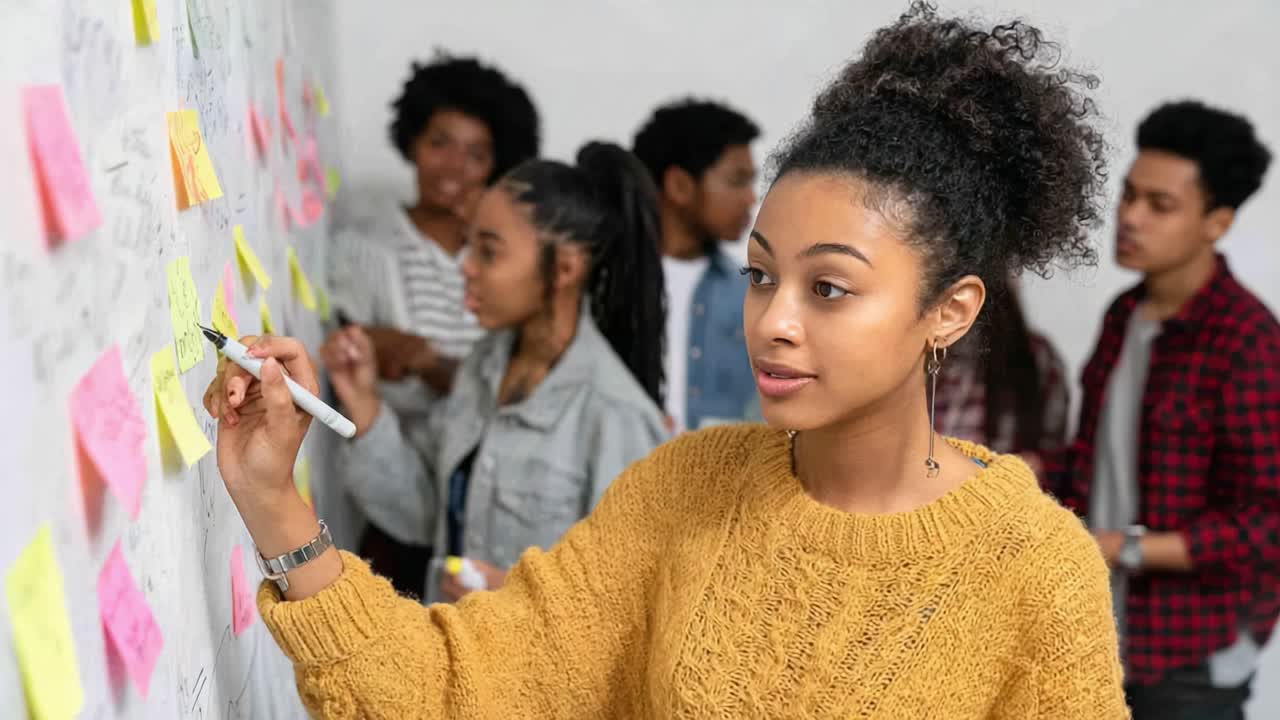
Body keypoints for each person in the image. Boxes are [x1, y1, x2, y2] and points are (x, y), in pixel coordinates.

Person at [202, 4, 1127, 716]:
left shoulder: (1035, 569)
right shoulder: (686, 489)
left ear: (949, 311)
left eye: (829, 289)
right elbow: (453, 688)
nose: (773, 322)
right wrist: (274, 499)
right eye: (763, 278)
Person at [320, 142, 668, 602]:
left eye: (488, 252)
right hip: (453, 661)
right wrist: (362, 402)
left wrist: (515, 595)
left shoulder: (616, 415)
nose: (465, 267)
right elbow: (425, 511)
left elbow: (631, 607)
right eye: (470, 246)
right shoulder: (481, 369)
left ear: (563, 269)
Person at [1046, 100, 1278, 720]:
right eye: (1129, 195)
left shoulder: (1247, 340)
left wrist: (1126, 548)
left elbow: (1267, 522)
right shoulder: (1126, 316)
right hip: (1101, 637)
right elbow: (1097, 461)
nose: (1129, 217)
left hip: (1192, 657)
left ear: (1217, 222)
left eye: (1160, 205)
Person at [325, 53, 540, 593]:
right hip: (398, 488)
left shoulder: (512, 261)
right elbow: (356, 358)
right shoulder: (364, 250)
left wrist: (426, 360)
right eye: (439, 142)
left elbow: (515, 377)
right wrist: (398, 354)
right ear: (412, 142)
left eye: (476, 153)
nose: (454, 166)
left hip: (498, 493)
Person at [633, 99, 760, 432]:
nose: (751, 198)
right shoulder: (607, 285)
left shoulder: (750, 293)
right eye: (737, 181)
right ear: (679, 185)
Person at [933, 281, 1070, 472]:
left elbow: (1058, 456)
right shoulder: (918, 353)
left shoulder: (1036, 357)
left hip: (1002, 491)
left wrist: (1031, 467)